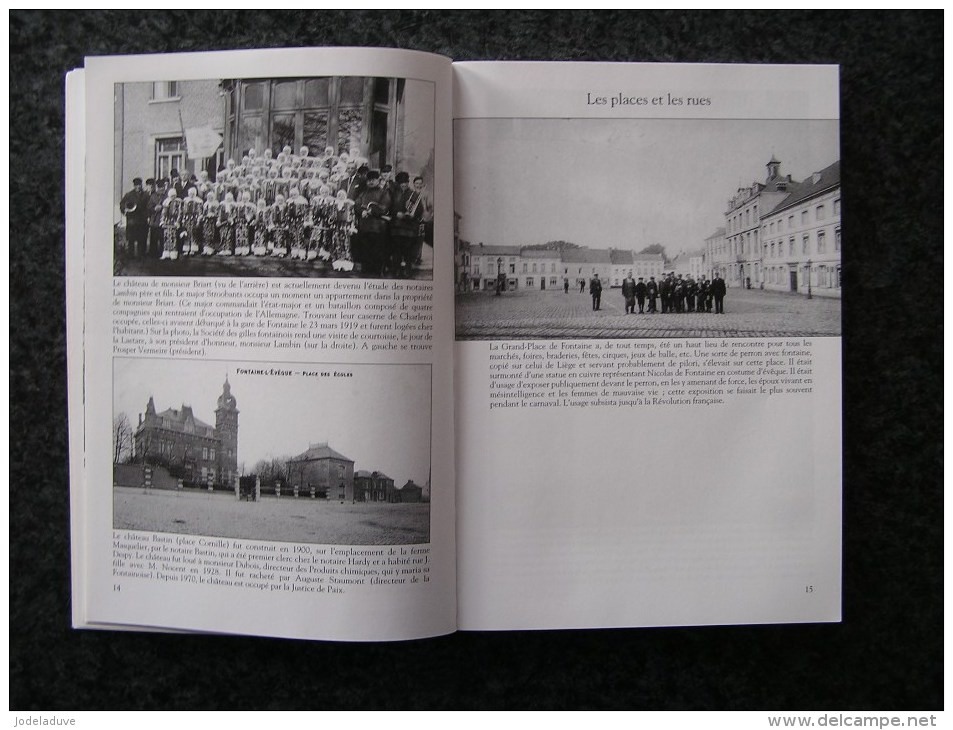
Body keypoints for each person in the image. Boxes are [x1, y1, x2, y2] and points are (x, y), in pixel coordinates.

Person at [353, 170, 392, 275]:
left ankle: (378, 270)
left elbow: (385, 207)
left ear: (378, 180)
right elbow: (357, 204)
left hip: (377, 227)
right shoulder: (363, 193)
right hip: (364, 226)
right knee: (365, 249)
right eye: (369, 180)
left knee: (377, 249)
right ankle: (366, 270)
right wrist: (362, 211)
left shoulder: (384, 192)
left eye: (373, 180)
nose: (370, 182)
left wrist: (372, 211)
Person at [120, 177, 149, 257]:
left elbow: (148, 206)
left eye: (139, 185)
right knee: (131, 239)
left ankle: (141, 255)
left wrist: (147, 215)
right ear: (134, 186)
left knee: (142, 238)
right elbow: (122, 204)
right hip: (132, 219)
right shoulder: (129, 194)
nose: (138, 187)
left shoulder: (146, 195)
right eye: (136, 185)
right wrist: (125, 210)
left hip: (142, 219)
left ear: (141, 185)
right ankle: (130, 255)